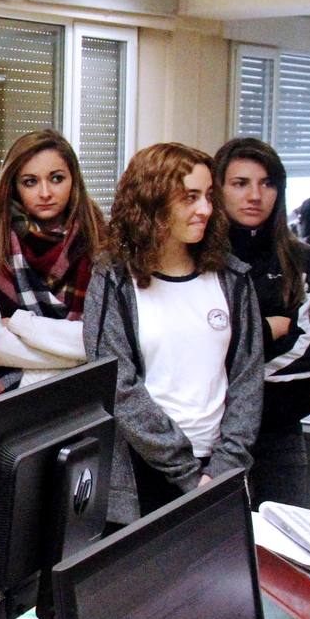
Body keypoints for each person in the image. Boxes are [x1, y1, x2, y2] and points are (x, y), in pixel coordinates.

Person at [83, 143, 262, 523]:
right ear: (153, 203)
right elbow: (116, 381)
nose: (206, 209)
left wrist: (224, 467)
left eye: (209, 196)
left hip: (219, 467)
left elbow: (248, 378)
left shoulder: (233, 279)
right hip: (142, 468)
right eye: (190, 198)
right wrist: (185, 470)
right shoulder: (114, 279)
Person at [213, 137, 310, 508]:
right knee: (217, 556)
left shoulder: (301, 259)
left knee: (282, 554)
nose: (255, 195)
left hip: (280, 430)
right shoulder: (200, 260)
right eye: (240, 183)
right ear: (218, 189)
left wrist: (229, 351)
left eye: (267, 183)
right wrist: (269, 329)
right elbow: (191, 347)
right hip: (214, 435)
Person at [0, 130, 104, 395]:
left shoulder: (101, 243)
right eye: (30, 182)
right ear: (13, 186)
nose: (45, 192)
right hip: (8, 403)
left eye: (56, 179)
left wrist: (19, 323)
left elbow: (99, 340)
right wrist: (75, 353)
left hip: (84, 398)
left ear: (73, 181)